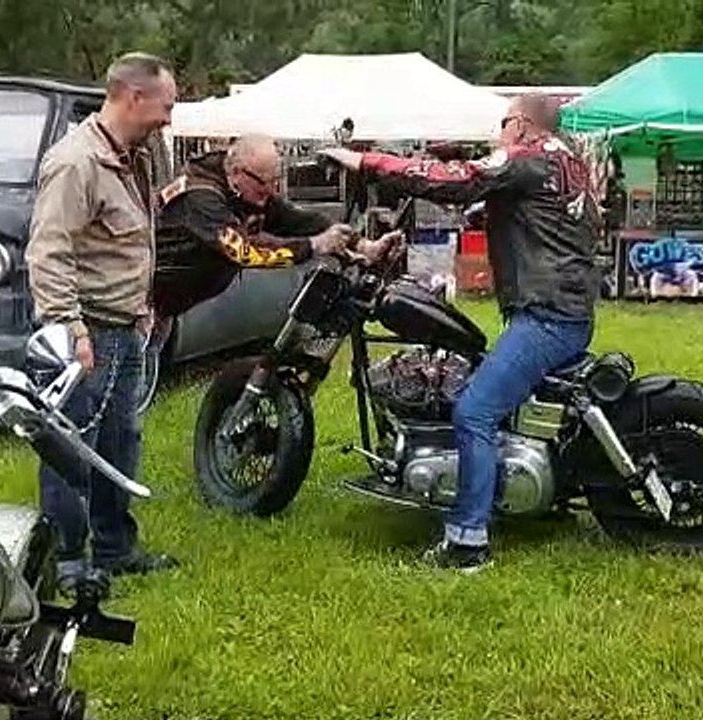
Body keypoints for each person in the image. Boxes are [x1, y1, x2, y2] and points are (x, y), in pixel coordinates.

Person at [320, 94, 600, 573]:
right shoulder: (568, 162)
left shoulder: (527, 158)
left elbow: (455, 182)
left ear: (519, 125)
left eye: (502, 123)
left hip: (547, 315)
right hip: (563, 308)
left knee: (475, 412)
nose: (499, 133)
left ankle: (468, 542)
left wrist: (363, 160)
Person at [25, 52, 179, 591]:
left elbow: (132, 240)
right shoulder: (76, 162)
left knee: (119, 443)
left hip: (123, 328)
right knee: (69, 447)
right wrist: (70, 329)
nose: (168, 117)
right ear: (133, 97)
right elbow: (49, 251)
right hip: (86, 332)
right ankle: (66, 561)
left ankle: (115, 549)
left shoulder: (134, 156)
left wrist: (144, 309)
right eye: (165, 105)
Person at [151, 134, 397, 324]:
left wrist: (364, 246)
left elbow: (298, 220)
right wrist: (315, 245)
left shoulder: (245, 189)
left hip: (169, 307)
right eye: (264, 183)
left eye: (276, 180)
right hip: (142, 303)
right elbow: (245, 252)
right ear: (237, 172)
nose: (271, 191)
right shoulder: (200, 198)